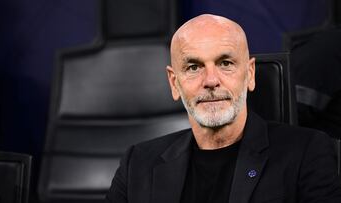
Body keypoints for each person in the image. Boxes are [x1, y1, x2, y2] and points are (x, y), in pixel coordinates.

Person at [106, 14, 341, 203]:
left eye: (225, 63)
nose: (210, 80)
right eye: (193, 67)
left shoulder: (307, 152)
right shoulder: (137, 163)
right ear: (174, 83)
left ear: (250, 75)